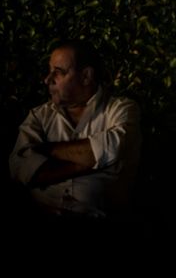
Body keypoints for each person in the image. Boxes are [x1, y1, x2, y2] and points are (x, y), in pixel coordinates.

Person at [9, 39, 141, 220]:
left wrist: (45, 151)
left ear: (86, 76)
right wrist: (93, 162)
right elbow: (20, 168)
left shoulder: (121, 110)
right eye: (49, 71)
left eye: (58, 72)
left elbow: (114, 146)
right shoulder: (39, 116)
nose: (47, 80)